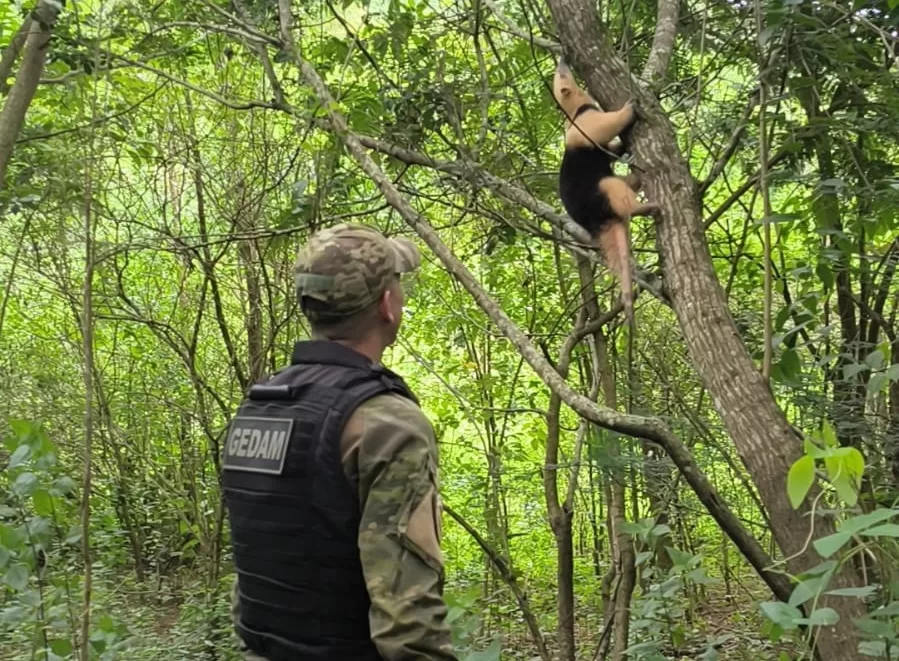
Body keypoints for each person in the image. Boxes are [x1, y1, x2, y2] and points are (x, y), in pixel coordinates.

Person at [221, 223, 458, 661]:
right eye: (398, 284)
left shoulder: (258, 409)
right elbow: (408, 618)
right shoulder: (387, 424)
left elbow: (253, 576)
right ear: (387, 305)